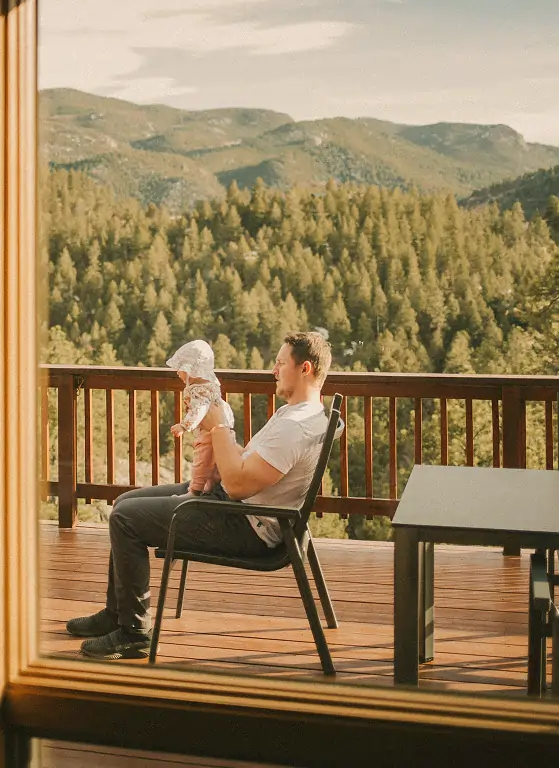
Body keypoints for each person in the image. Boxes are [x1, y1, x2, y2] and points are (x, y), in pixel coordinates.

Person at [66, 331, 332, 660]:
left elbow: (237, 485)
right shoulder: (301, 414)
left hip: (245, 523)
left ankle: (133, 633)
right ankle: (117, 613)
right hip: (237, 506)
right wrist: (215, 432)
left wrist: (219, 428)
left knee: (124, 519)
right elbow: (245, 465)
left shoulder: (296, 427)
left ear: (304, 368)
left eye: (280, 363)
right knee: (124, 503)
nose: (273, 370)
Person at [166, 339, 234, 496]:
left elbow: (199, 409)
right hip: (221, 431)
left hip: (208, 433)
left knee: (201, 461)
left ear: (191, 370)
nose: (177, 372)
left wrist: (184, 426)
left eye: (180, 368)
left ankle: (194, 491)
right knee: (211, 461)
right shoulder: (210, 386)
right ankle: (208, 487)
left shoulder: (198, 390)